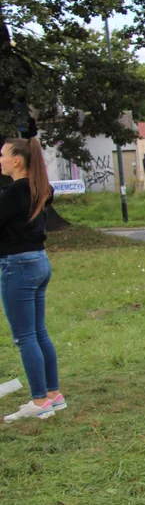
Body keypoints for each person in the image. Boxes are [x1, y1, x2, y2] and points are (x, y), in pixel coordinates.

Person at [0, 138, 64, 423]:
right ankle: (53, 395)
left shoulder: (15, 192)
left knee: (24, 336)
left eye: (2, 155)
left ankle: (39, 401)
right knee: (38, 333)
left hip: (19, 265)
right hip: (39, 261)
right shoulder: (40, 188)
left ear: (17, 161)